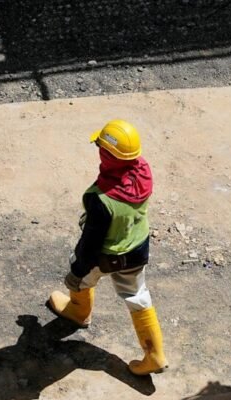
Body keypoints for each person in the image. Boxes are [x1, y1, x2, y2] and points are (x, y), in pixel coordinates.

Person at [46, 119, 167, 376]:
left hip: (107, 256)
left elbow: (90, 244)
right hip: (137, 247)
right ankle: (155, 355)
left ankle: (79, 312)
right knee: (138, 297)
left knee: (81, 279)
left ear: (108, 154)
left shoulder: (100, 199)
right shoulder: (142, 171)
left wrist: (77, 270)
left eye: (101, 146)